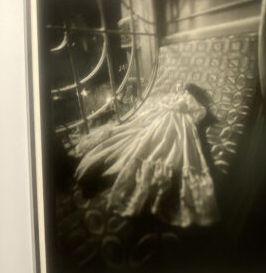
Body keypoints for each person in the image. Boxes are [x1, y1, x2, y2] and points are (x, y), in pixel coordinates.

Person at [74, 83, 218, 228]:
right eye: (181, 89)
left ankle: (126, 173)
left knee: (160, 141)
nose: (180, 90)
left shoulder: (189, 97)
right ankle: (110, 168)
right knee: (138, 135)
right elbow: (192, 112)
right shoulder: (176, 96)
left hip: (176, 120)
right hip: (162, 116)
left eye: (183, 89)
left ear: (189, 91)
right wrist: (165, 107)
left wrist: (178, 108)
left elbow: (199, 112)